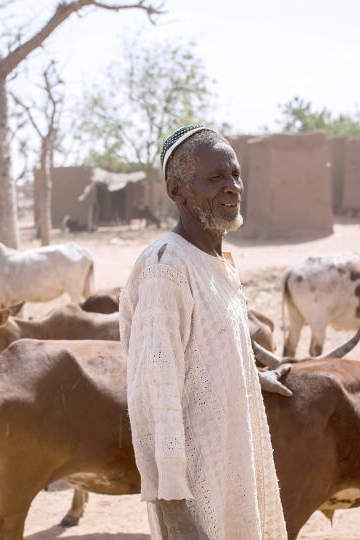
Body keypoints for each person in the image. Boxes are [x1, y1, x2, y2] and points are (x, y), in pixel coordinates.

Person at [120, 125, 291, 539]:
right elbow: (154, 395)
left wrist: (249, 376)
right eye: (215, 178)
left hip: (233, 469)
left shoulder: (215, 262)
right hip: (197, 493)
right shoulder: (168, 267)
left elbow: (206, 349)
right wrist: (174, 509)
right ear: (177, 191)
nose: (232, 186)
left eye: (234, 174)